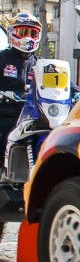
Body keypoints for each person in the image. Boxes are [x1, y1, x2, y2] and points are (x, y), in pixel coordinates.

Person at [0, 12, 42, 167]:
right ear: (12, 33)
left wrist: (77, 92)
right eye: (23, 32)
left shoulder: (42, 64)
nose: (28, 37)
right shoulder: (2, 58)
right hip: (5, 115)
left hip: (30, 117)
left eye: (33, 33)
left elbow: (67, 84)